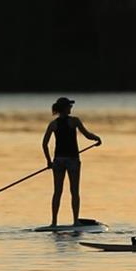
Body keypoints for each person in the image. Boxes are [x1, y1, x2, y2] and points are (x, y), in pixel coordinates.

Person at [42, 97, 100, 228]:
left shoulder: (53, 124)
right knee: (74, 191)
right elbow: (87, 135)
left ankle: (54, 223)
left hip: (58, 161)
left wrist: (49, 162)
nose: (71, 108)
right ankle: (75, 221)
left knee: (57, 191)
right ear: (65, 108)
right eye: (69, 106)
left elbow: (44, 144)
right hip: (73, 160)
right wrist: (97, 139)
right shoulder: (74, 121)